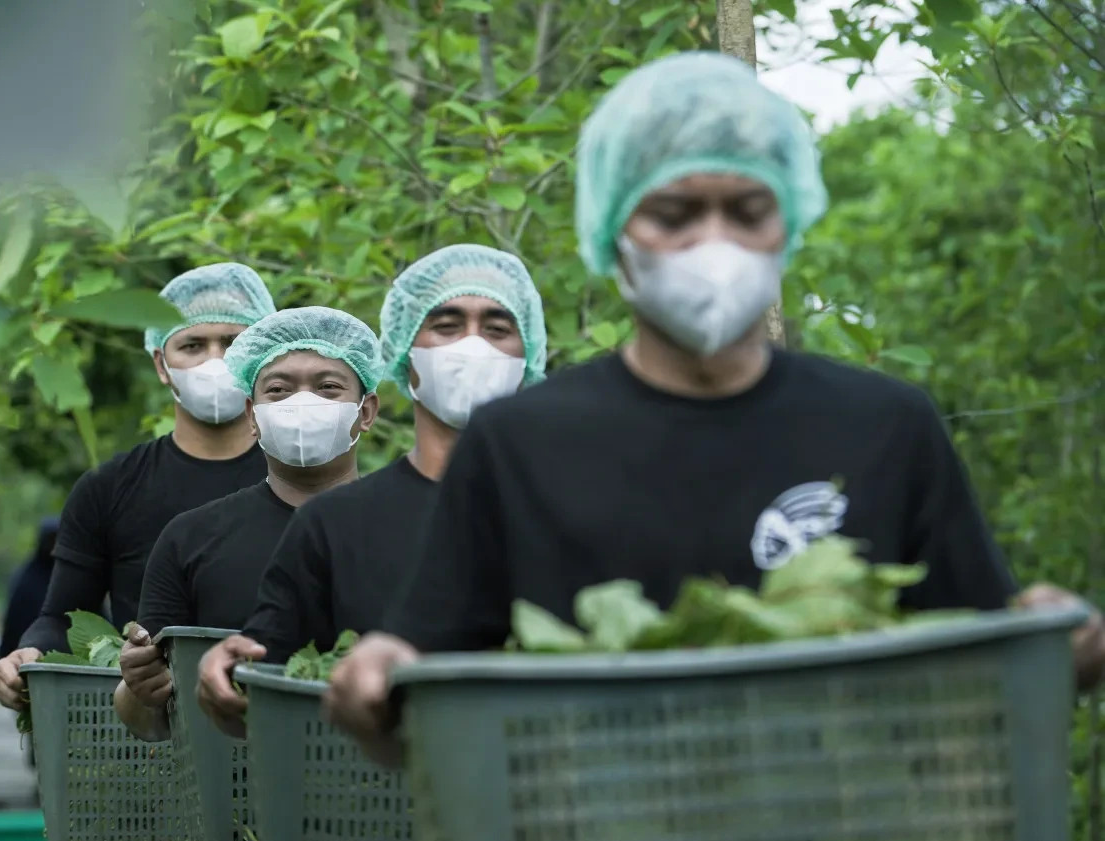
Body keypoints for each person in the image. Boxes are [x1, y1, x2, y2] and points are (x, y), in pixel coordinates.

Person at [325, 50, 1105, 772]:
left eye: (746, 209)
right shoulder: (521, 443)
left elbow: (984, 659)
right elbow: (424, 683)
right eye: (674, 213)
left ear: (787, 222)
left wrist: (1053, 637)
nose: (714, 242)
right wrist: (377, 676)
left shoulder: (885, 426)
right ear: (614, 229)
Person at [196, 244, 547, 841]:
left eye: (498, 326)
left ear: (532, 352)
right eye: (445, 324)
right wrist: (225, 674)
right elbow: (266, 686)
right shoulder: (336, 526)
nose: (472, 347)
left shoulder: (571, 513)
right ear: (401, 356)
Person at [0, 261, 275, 841]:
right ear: (160, 362)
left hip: (280, 764)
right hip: (154, 774)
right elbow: (63, 609)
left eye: (233, 340)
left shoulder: (302, 477)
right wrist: (27, 652)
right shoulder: (111, 488)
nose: (214, 360)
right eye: (192, 345)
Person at [116, 306, 383, 841]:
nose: (302, 403)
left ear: (367, 410)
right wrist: (137, 691)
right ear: (250, 408)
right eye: (278, 388)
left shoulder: (416, 522)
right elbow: (150, 724)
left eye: (327, 388)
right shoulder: (192, 537)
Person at [0, 516, 60, 666]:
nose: (54, 546)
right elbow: (12, 625)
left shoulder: (75, 579)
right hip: (26, 657)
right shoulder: (26, 580)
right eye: (51, 539)